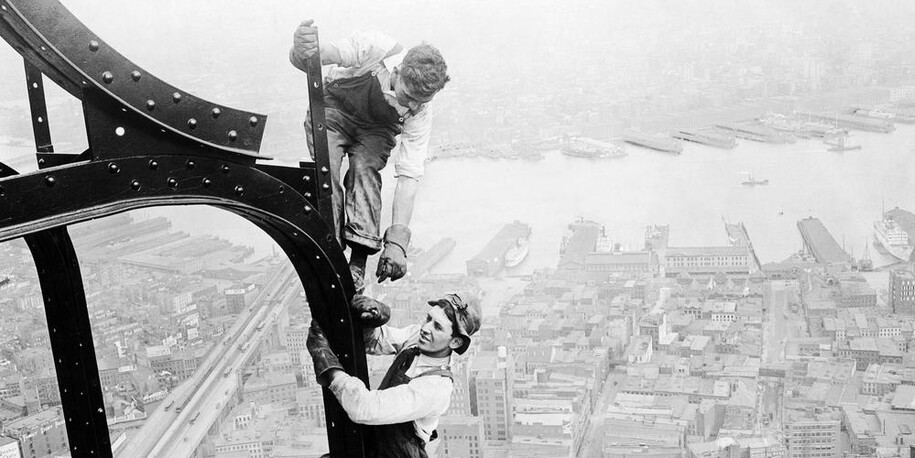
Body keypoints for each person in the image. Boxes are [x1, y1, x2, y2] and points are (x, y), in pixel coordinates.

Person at [289, 20, 451, 292]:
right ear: (397, 72)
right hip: (334, 112)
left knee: (366, 172)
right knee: (326, 171)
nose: (411, 106)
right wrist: (304, 49)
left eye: (420, 102)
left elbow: (409, 177)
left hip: (376, 131)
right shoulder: (375, 47)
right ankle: (331, 245)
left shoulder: (421, 112)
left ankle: (358, 261)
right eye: (408, 95)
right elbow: (326, 55)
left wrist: (397, 241)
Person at [307, 293, 482, 458]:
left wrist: (327, 363)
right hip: (376, 445)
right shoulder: (418, 338)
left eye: (437, 327)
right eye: (429, 319)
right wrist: (372, 319)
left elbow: (364, 407)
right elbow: (377, 341)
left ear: (456, 341)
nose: (426, 328)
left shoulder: (435, 387)